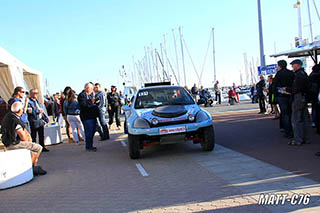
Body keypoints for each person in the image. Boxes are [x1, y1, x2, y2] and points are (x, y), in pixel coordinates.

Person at [1, 102, 47, 175]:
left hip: (6, 142)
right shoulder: (15, 120)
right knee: (38, 148)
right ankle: (31, 168)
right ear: (20, 110)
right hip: (13, 143)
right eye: (22, 109)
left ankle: (32, 166)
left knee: (31, 150)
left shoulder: (8, 116)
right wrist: (28, 141)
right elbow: (22, 135)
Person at [285, 59, 310, 146]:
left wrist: (286, 89)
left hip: (298, 97)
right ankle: (306, 138)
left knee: (296, 119)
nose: (292, 67)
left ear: (298, 65)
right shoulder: (304, 74)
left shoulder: (298, 75)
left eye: (293, 65)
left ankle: (298, 139)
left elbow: (295, 89)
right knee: (304, 118)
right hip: (304, 97)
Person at [273, 60, 295, 138]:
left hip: (281, 96)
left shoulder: (279, 74)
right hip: (291, 95)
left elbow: (274, 85)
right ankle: (294, 130)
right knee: (291, 113)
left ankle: (288, 131)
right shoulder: (291, 73)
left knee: (285, 114)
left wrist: (275, 95)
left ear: (280, 66)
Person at [78, 82, 99, 151]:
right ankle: (88, 146)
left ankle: (90, 145)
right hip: (86, 117)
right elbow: (83, 105)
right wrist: (91, 101)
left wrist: (95, 102)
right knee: (88, 131)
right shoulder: (82, 95)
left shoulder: (91, 95)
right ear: (87, 88)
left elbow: (92, 103)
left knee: (93, 130)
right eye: (91, 88)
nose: (92, 90)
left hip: (92, 115)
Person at [309, 64, 320, 134]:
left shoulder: (311, 76)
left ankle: (314, 122)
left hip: (313, 95)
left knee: (315, 109)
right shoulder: (318, 76)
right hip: (317, 95)